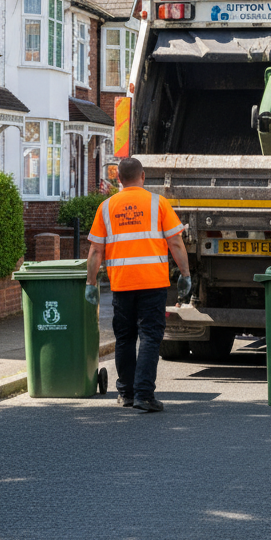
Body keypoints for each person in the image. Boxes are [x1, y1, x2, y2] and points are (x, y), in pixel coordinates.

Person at [86, 158, 193, 413]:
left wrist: (91, 283)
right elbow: (176, 244)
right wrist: (186, 274)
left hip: (121, 284)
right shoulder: (158, 203)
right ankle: (144, 395)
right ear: (143, 176)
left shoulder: (106, 207)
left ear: (118, 179)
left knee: (124, 338)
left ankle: (126, 393)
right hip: (152, 283)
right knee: (150, 337)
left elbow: (95, 251)